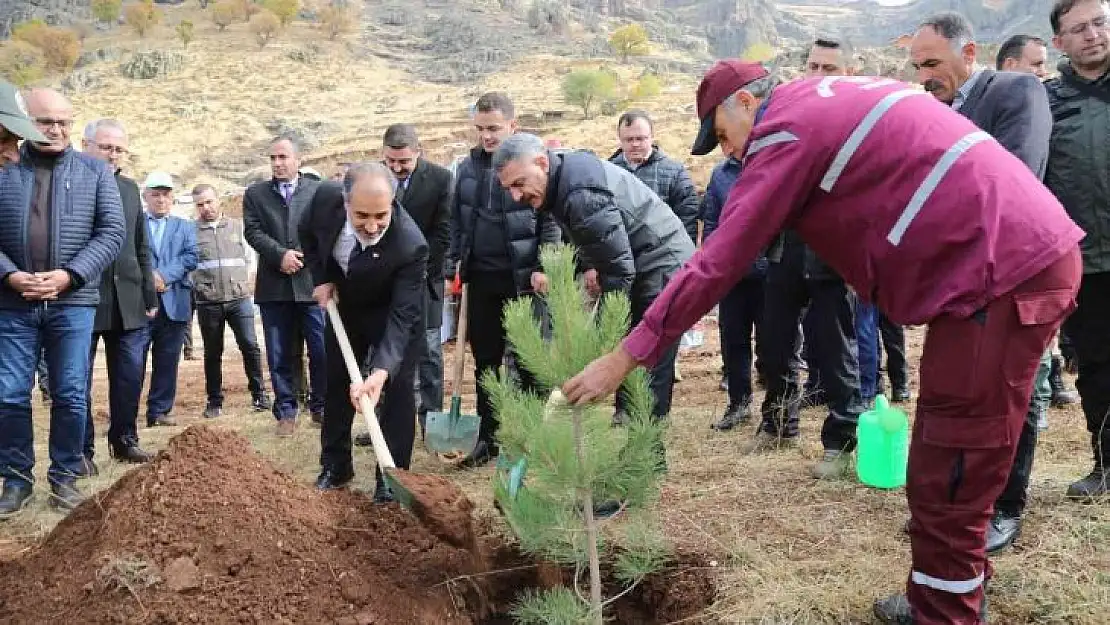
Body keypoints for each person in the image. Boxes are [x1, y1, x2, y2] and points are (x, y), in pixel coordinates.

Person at [561, 60, 1084, 625]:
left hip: (1001, 273)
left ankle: (946, 613)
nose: (729, 152)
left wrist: (627, 354)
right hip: (999, 263)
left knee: (954, 459)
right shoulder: (821, 99)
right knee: (945, 448)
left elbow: (718, 261)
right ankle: (944, 594)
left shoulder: (786, 130)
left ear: (743, 102)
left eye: (722, 135)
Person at [493, 132, 694, 426]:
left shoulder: (578, 191)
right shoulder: (563, 182)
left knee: (647, 359)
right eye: (509, 188)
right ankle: (632, 436)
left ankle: (647, 451)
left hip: (662, 264)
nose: (516, 196)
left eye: (519, 184)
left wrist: (600, 337)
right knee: (634, 351)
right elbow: (601, 243)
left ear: (541, 162)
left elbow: (619, 270)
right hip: (645, 261)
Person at [744, 38, 870, 479]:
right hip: (785, 248)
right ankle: (778, 425)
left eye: (830, 68)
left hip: (835, 254)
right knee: (775, 344)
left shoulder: (860, 121)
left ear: (849, 72)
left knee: (836, 351)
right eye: (813, 65)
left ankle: (841, 443)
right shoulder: (789, 112)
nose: (819, 74)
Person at [0, 87, 125, 516]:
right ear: (22, 123)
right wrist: (10, 275)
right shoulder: (4, 168)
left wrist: (69, 276)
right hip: (12, 303)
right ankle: (16, 481)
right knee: (10, 394)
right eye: (44, 121)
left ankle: (65, 476)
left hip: (73, 304)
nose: (55, 129)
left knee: (72, 393)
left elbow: (111, 233)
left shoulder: (95, 172)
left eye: (63, 122)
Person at [445, 92, 560, 468]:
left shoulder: (530, 163)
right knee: (488, 363)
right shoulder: (466, 168)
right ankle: (490, 437)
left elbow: (550, 219)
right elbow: (458, 222)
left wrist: (546, 264)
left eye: (494, 128)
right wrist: (454, 265)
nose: (487, 137)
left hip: (525, 279)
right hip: (481, 279)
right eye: (480, 129)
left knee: (529, 360)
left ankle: (531, 438)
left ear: (513, 125)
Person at [299, 163, 427, 503]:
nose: (372, 226)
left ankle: (391, 477)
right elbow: (307, 234)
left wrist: (381, 371)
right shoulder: (323, 199)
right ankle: (336, 465)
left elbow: (403, 317)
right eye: (362, 216)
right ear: (344, 203)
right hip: (347, 305)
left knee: (398, 390)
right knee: (337, 380)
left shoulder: (411, 244)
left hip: (392, 314)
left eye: (381, 215)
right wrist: (322, 277)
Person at [1044, 0, 1110, 499]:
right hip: (1084, 263)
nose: (1092, 35)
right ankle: (1106, 465)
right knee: (1096, 367)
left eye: (1100, 22)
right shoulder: (1046, 103)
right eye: (1078, 29)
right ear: (1059, 43)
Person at [80, 119, 158, 473]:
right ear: (87, 146)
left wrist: (148, 295)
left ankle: (124, 440)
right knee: (75, 378)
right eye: (105, 146)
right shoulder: (71, 183)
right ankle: (80, 450)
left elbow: (141, 246)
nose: (113, 154)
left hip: (128, 299)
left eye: (118, 148)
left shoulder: (129, 189)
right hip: (83, 296)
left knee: (129, 374)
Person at [243, 136, 326, 436]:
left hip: (311, 286)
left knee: (320, 350)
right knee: (280, 354)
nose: (277, 163)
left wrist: (306, 257)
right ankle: (287, 411)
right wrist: (280, 255)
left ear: (298, 159)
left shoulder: (318, 192)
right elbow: (252, 231)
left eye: (283, 157)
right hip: (274, 287)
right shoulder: (255, 194)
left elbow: (326, 230)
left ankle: (321, 407)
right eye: (273, 158)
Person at [378, 124, 452, 440]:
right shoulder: (375, 178)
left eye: (403, 162)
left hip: (425, 282)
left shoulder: (440, 180)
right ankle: (387, 421)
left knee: (429, 355)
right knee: (383, 354)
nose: (396, 169)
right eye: (390, 161)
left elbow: (444, 232)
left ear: (418, 153)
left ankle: (431, 423)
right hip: (384, 285)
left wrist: (417, 269)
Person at [700, 153, 768, 431]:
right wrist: (713, 265)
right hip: (732, 276)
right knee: (733, 341)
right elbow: (713, 225)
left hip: (769, 274)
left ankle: (777, 412)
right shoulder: (720, 174)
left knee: (775, 344)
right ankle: (738, 404)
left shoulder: (774, 163)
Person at [191, 184, 269, 419]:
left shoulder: (238, 228)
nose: (206, 208)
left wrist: (248, 282)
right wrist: (199, 287)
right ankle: (214, 402)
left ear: (218, 201)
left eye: (209, 202)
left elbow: (250, 259)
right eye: (200, 204)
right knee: (213, 353)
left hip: (239, 299)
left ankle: (260, 395)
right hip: (208, 303)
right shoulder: (190, 232)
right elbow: (188, 266)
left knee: (250, 346)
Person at [142, 172, 198, 427]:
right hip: (140, 305)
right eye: (155, 195)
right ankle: (128, 408)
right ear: (146, 197)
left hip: (174, 302)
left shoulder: (185, 227)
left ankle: (160, 411)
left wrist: (163, 275)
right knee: (133, 361)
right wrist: (148, 279)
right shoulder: (135, 224)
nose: (161, 200)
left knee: (167, 360)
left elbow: (190, 257)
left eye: (165, 195)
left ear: (172, 198)